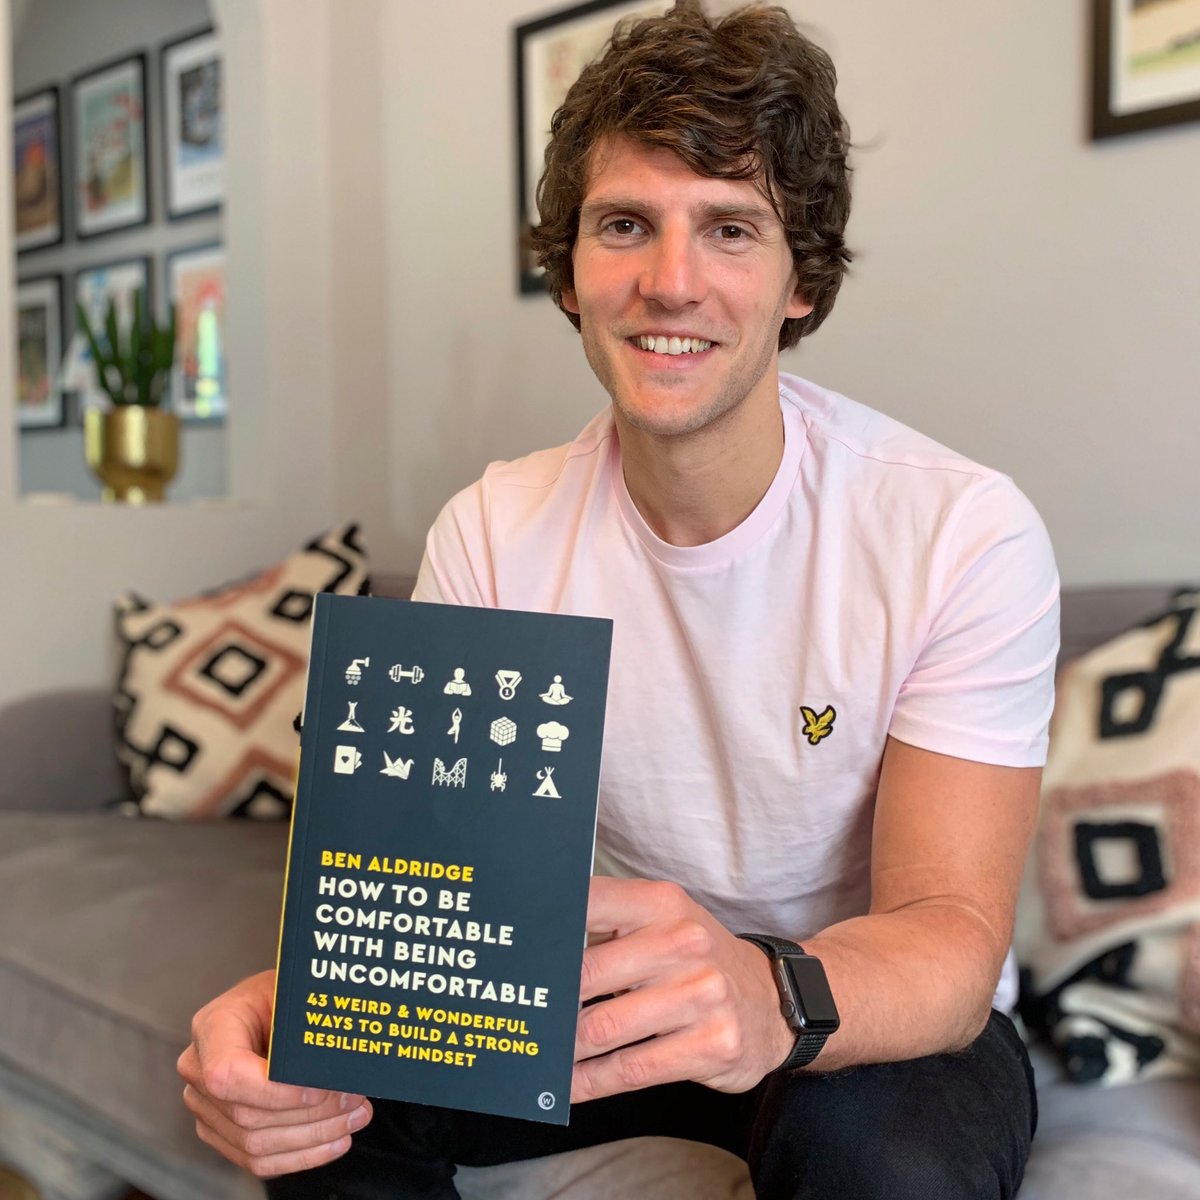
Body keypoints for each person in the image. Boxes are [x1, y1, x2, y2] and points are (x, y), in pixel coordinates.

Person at [177, 5, 1059, 1197]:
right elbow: (425, 898)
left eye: (731, 229)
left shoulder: (960, 531)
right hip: (601, 989)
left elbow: (948, 933)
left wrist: (765, 992)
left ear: (802, 280)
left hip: (861, 1010)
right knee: (320, 1104)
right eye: (626, 225)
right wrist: (298, 1010)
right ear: (571, 272)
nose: (670, 282)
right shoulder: (493, 530)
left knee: (881, 1163)